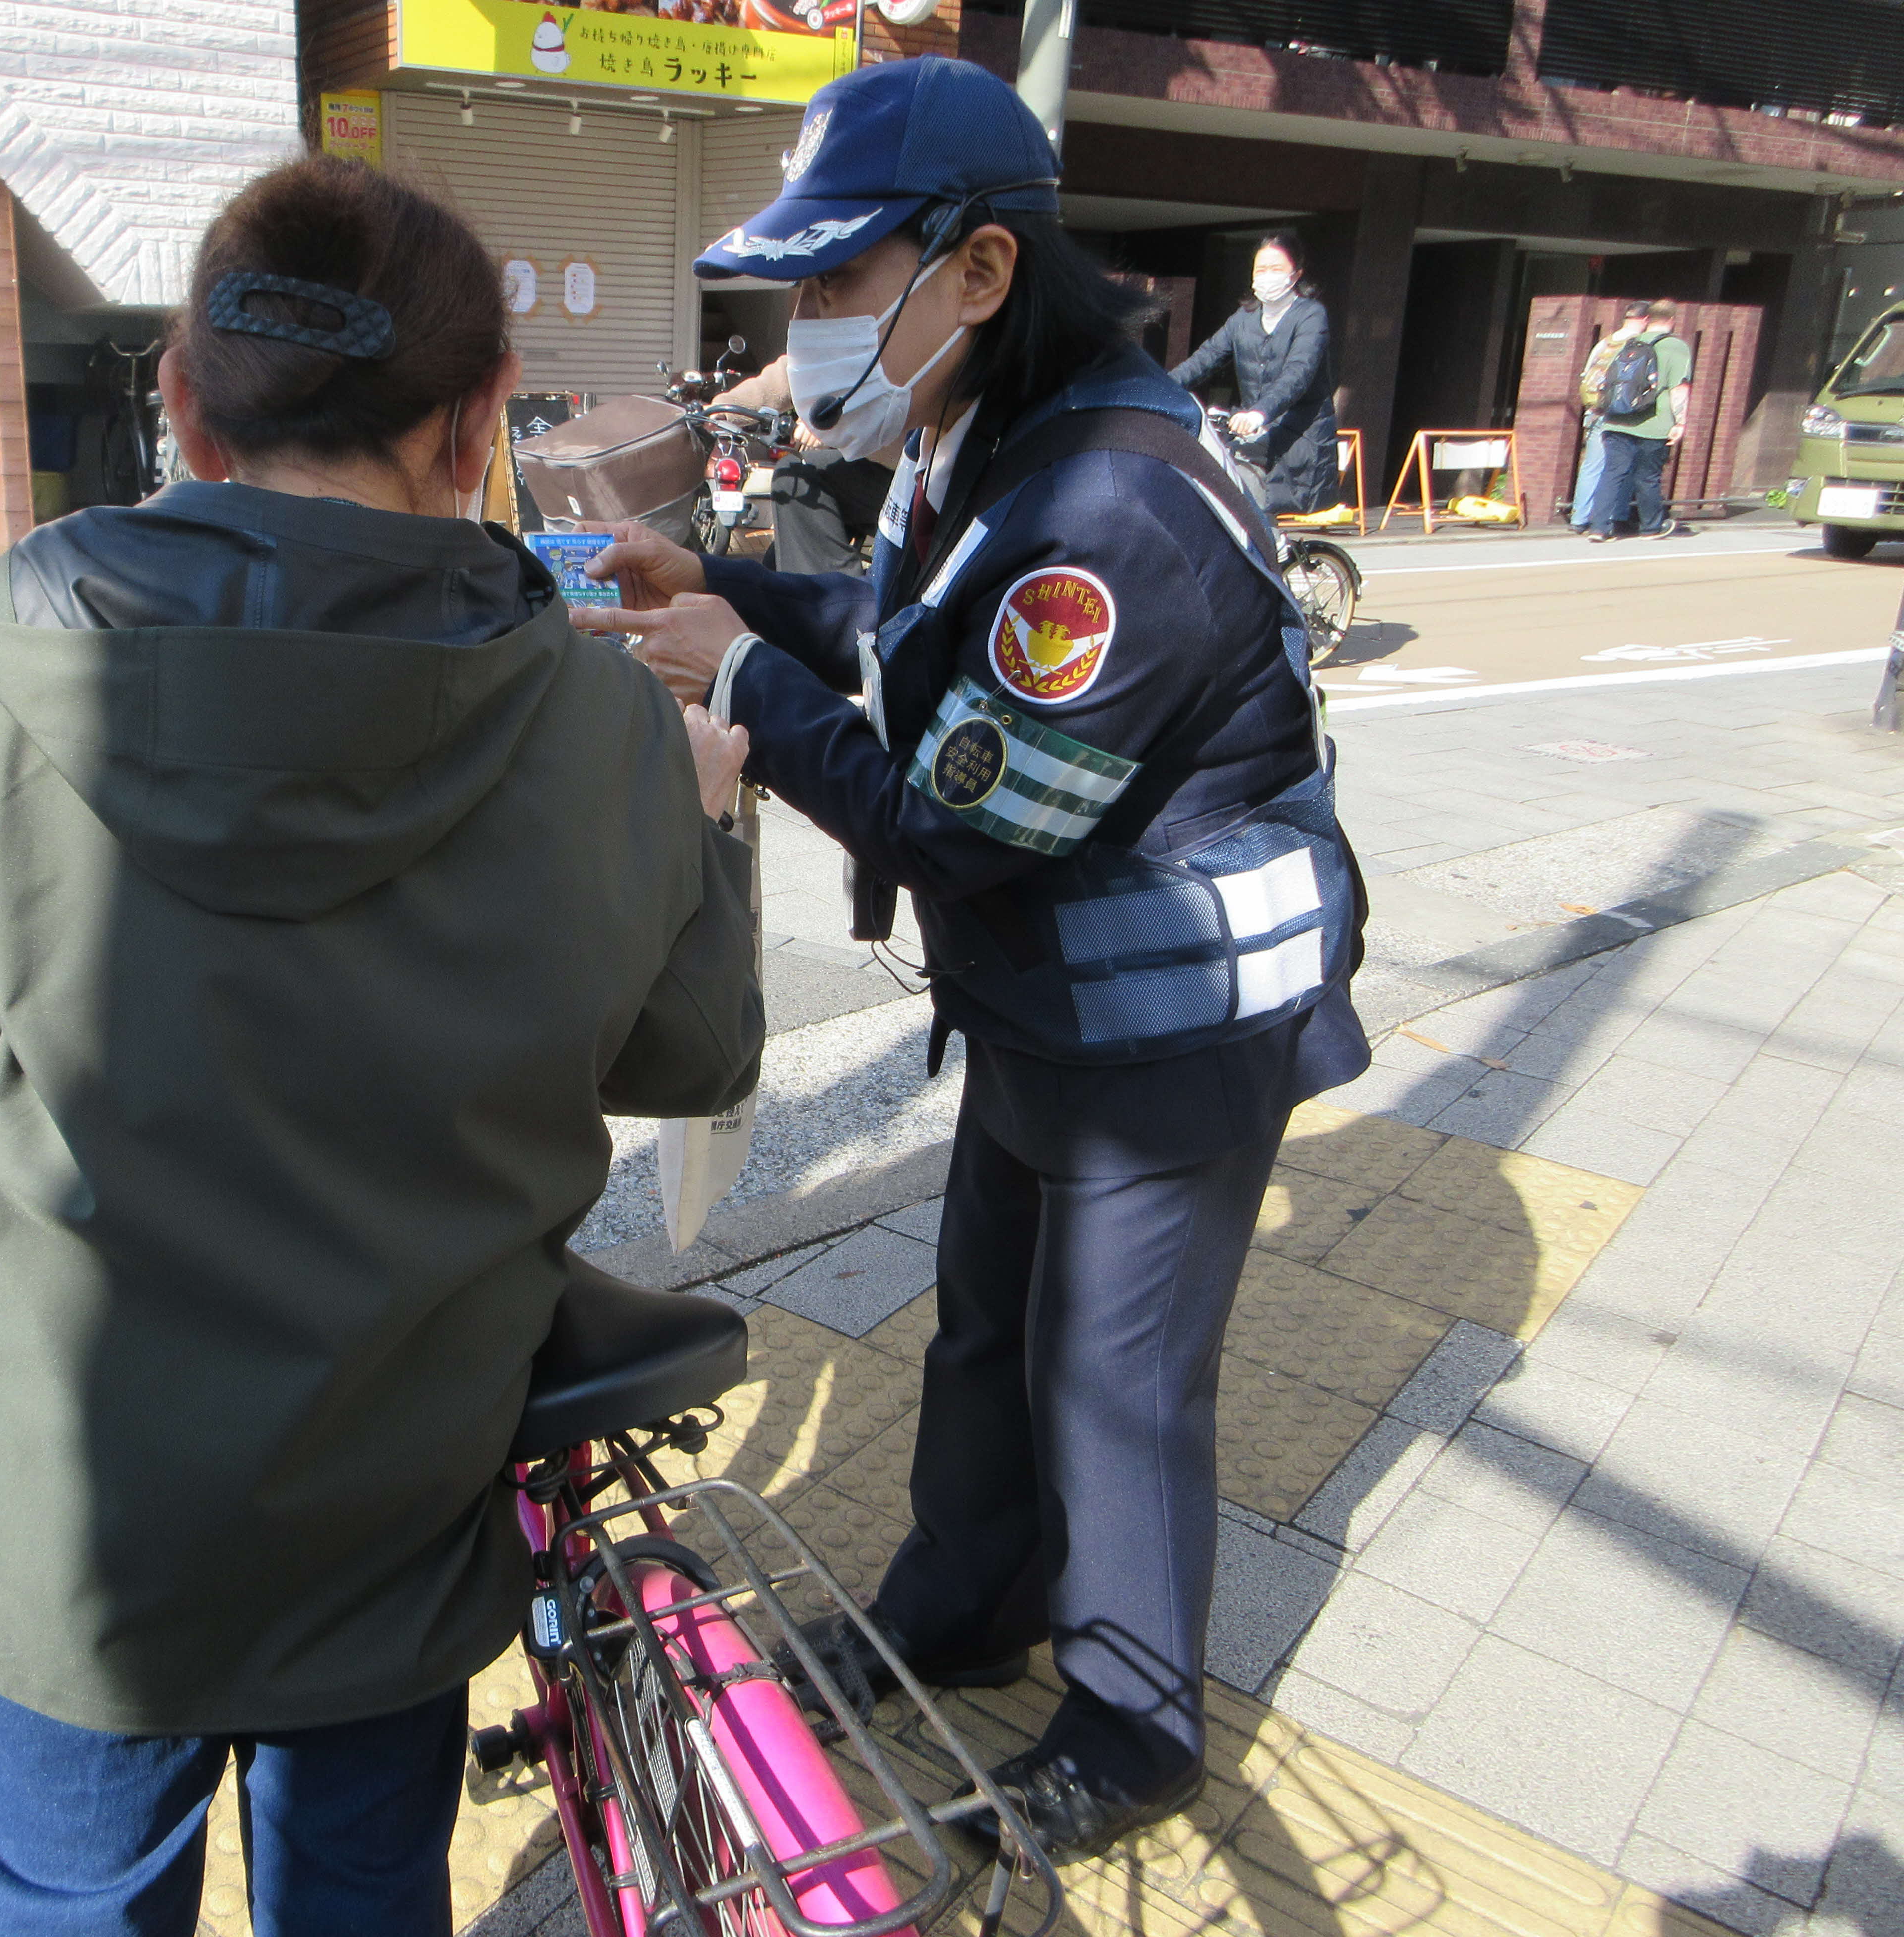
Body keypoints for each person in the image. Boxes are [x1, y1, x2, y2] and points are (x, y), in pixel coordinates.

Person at [0, 154, 765, 1937]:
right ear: (480, 419)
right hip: (391, 1505)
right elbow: (691, 1057)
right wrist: (709, 816)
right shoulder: (600, 720)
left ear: (188, 404)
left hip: (60, 1514)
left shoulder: (12, 656)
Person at [570, 56, 1368, 1865]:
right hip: (1043, 1000)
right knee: (990, 1333)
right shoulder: (988, 433)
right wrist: (735, 597)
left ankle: (1136, 1720)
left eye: (838, 279)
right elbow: (908, 629)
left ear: (983, 270)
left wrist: (740, 675)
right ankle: (960, 1604)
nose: (806, 324)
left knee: (1114, 1377)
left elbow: (956, 820)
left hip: (1169, 1028)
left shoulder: (1114, 514)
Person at [1170, 234, 1340, 515]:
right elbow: (1204, 359)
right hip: (1257, 436)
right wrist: (1159, 387)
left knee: (1242, 491)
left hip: (1299, 439)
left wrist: (1259, 413)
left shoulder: (1311, 316)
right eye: (1261, 269)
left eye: (1277, 269)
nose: (1267, 276)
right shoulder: (1243, 319)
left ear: (1296, 274)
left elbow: (1298, 373)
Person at [715, 351, 897, 575]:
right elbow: (801, 367)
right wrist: (721, 410)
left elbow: (899, 393)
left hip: (909, 477)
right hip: (868, 466)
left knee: (797, 477)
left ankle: (834, 593)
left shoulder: (896, 338)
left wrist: (838, 425)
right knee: (779, 558)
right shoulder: (837, 340)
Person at [1587, 297, 1694, 541]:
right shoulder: (1676, 347)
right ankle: (1651, 527)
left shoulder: (1630, 343)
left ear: (1649, 320)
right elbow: (1679, 388)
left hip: (1617, 419)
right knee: (1648, 477)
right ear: (1672, 320)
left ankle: (1599, 528)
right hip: (1654, 423)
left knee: (1612, 474)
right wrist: (1680, 423)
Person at [1569, 303, 1647, 528]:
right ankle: (1615, 516)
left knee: (1592, 466)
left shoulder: (1605, 343)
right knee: (1623, 467)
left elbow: (1586, 375)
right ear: (1645, 320)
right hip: (1624, 414)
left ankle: (1579, 518)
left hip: (1596, 412)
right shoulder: (1641, 346)